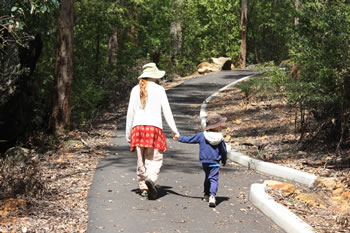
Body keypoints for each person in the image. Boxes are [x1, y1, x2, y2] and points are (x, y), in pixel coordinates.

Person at [126, 62, 179, 199]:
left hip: (137, 129)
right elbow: (167, 111)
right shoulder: (159, 90)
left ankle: (143, 187)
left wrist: (128, 133)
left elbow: (130, 113)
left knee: (140, 159)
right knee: (154, 158)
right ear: (154, 76)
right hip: (154, 129)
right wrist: (174, 130)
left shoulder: (134, 89)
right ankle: (151, 179)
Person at [174, 113, 227, 207]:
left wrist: (179, 138)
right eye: (220, 125)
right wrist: (224, 160)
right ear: (216, 126)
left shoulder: (201, 135)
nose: (221, 126)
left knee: (207, 177)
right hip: (214, 162)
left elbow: (190, 139)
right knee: (214, 179)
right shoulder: (220, 138)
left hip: (205, 162)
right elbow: (223, 151)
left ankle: (206, 195)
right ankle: (212, 196)